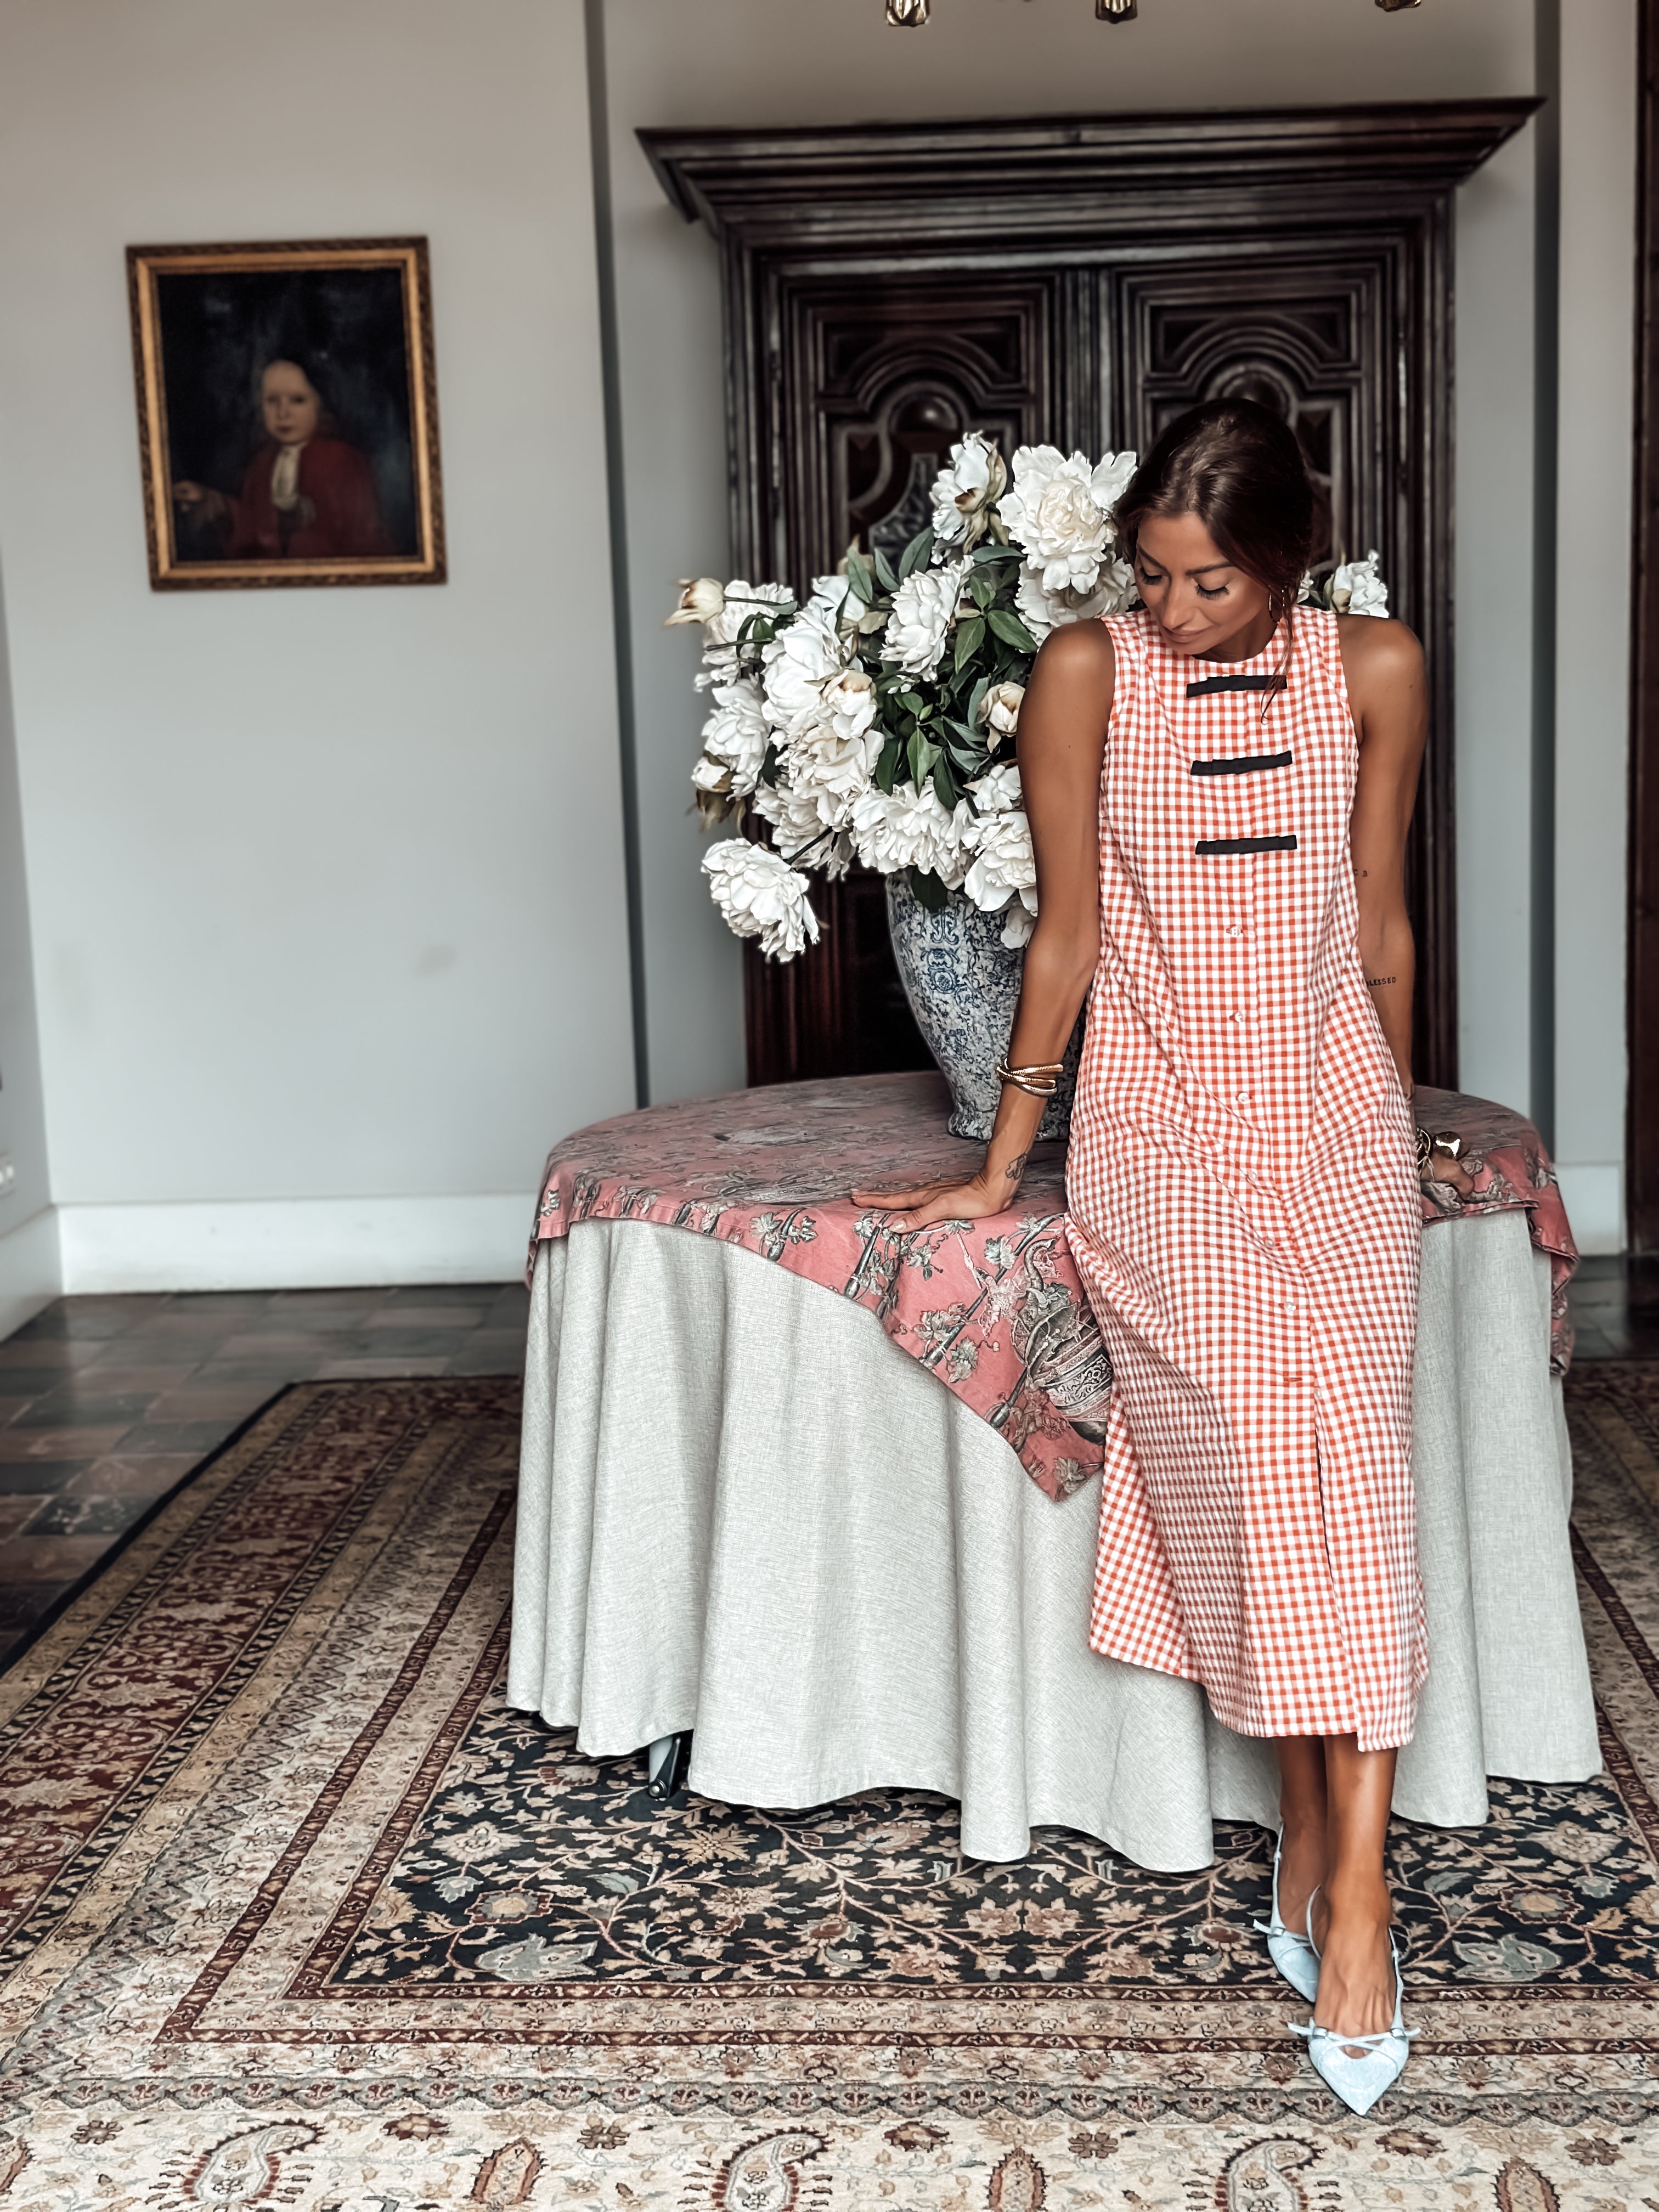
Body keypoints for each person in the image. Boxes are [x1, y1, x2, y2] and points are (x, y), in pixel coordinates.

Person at [854, 398, 1471, 2115]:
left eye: (1209, 583)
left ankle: (1346, 1882)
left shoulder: (1380, 664)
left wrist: (1405, 1119)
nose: (1176, 609)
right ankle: (1334, 1864)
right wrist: (1000, 1166)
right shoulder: (1083, 674)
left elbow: (1380, 913)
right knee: (1282, 1471)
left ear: (1282, 561)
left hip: (1336, 1124)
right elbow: (1061, 934)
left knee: (1348, 1468)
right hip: (1161, 1136)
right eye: (1155, 575)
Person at [173, 356, 392, 561]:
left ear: (321, 404)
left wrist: (309, 519)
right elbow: (250, 527)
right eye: (272, 401)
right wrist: (212, 502)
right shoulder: (262, 465)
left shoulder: (344, 460)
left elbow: (362, 533)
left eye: (297, 400)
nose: (283, 413)